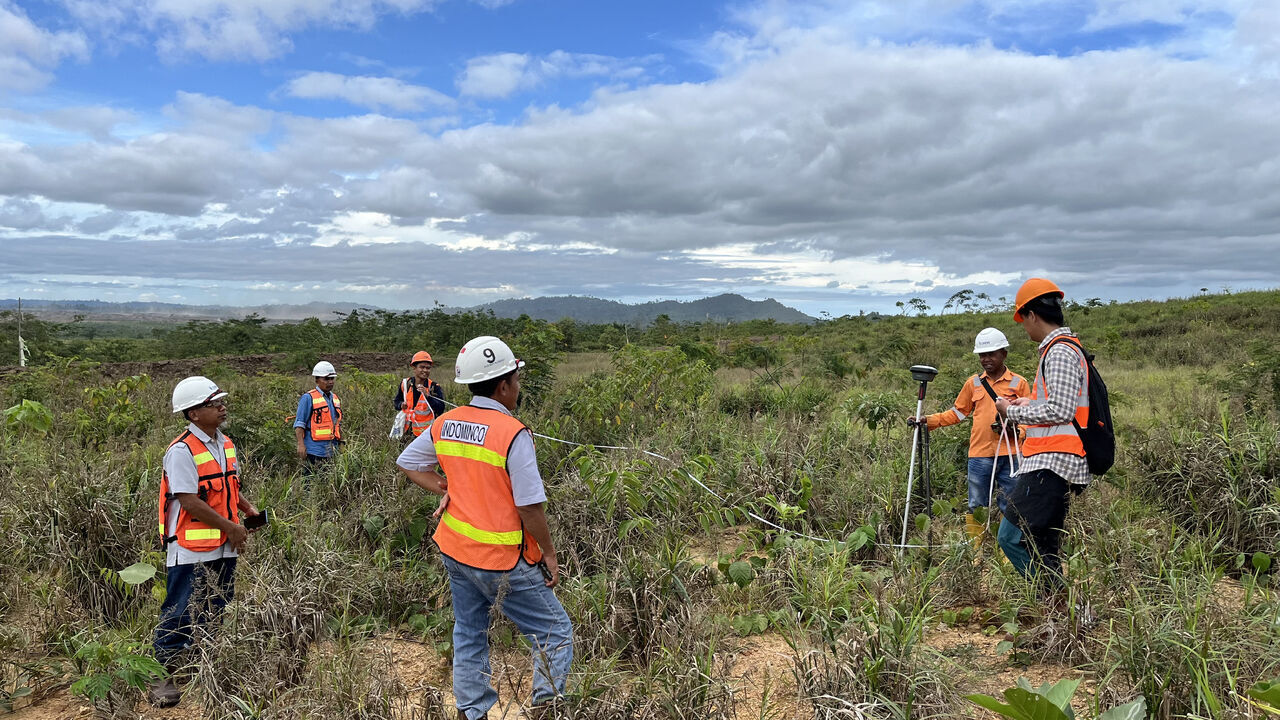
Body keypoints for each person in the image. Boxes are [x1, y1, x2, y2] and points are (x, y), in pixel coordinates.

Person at [397, 336, 572, 720]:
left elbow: (408, 462)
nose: (518, 388)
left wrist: (447, 487)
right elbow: (529, 507)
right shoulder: (512, 433)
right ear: (504, 385)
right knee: (555, 631)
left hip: (456, 551)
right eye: (516, 380)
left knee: (470, 632)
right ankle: (547, 710)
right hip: (502, 560)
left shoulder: (447, 421)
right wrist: (550, 553)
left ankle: (471, 711)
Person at [151, 376, 261, 707]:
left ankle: (206, 664)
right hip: (189, 548)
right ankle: (161, 676)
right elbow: (189, 501)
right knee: (179, 610)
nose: (221, 406)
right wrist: (231, 527)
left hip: (224, 544)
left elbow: (228, 487)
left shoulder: (225, 444)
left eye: (220, 401)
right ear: (194, 413)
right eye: (214, 403)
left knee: (216, 605)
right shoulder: (181, 450)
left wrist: (247, 508)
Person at [995, 278, 1091, 591]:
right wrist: (1030, 402)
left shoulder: (1060, 352)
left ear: (1032, 315)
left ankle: (1053, 602)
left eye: (1023, 321)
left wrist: (1012, 412)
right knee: (1044, 546)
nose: (1024, 328)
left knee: (1011, 537)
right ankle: (1066, 619)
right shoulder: (1061, 350)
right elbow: (1058, 405)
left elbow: (1061, 411)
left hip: (1053, 464)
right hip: (1055, 463)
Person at [910, 328, 1031, 549]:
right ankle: (975, 551)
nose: (986, 360)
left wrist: (1018, 432)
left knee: (1011, 505)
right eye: (982, 355)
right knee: (976, 505)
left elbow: (1029, 418)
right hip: (980, 455)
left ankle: (1008, 552)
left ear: (1004, 353)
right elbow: (957, 413)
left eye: (991, 354)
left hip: (1012, 456)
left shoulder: (1019, 383)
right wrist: (928, 420)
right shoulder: (973, 383)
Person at [294, 361, 342, 473]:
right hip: (313, 451)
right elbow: (299, 424)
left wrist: (341, 443)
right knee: (310, 485)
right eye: (326, 379)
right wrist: (301, 445)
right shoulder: (308, 398)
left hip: (331, 450)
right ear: (317, 380)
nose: (330, 382)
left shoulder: (334, 398)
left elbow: (336, 424)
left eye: (332, 378)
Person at [395, 350, 446, 439]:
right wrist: (401, 405)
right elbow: (396, 402)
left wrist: (428, 396)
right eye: (422, 367)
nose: (425, 370)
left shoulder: (434, 387)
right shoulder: (405, 384)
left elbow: (441, 408)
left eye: (428, 368)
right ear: (414, 367)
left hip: (425, 434)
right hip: (406, 432)